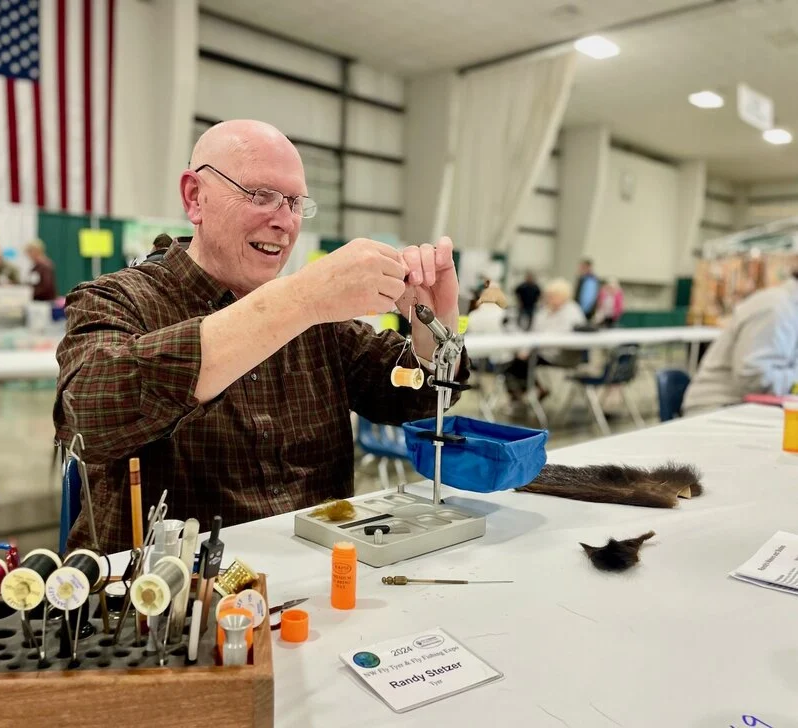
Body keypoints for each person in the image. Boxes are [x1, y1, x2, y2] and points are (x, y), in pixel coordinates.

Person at [53, 119, 468, 554]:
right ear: (195, 197)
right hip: (171, 594)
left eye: (294, 203)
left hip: (319, 578)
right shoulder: (116, 299)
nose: (285, 222)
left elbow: (414, 398)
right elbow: (91, 413)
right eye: (262, 196)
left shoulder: (322, 323)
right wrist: (302, 297)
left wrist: (434, 322)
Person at [683, 274, 798, 415]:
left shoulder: (788, 307)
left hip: (743, 407)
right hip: (718, 408)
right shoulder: (776, 309)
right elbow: (753, 379)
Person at [504, 278, 585, 398]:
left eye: (553, 296)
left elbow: (561, 336)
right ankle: (532, 390)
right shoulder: (544, 311)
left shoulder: (572, 311)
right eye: (548, 295)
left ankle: (524, 393)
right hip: (542, 351)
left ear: (563, 296)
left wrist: (529, 350)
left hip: (561, 355)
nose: (549, 298)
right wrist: (525, 350)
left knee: (518, 365)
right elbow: (534, 332)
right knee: (514, 363)